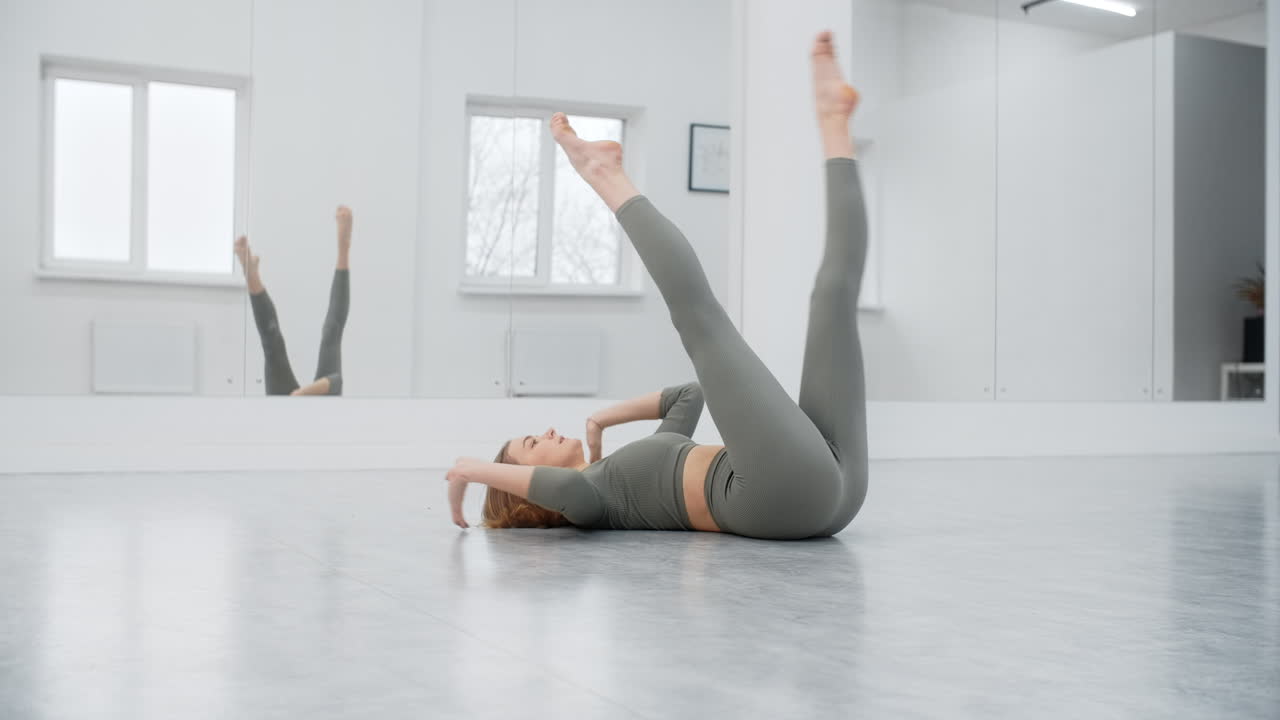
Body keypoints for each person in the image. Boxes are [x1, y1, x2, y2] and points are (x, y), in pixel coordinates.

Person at [446, 31, 868, 540]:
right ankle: (606, 176)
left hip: (835, 491)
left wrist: (606, 418)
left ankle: (834, 122)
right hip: (780, 495)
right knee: (698, 317)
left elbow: (690, 395)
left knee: (834, 298)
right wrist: (472, 469)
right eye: (535, 444)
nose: (548, 431)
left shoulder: (623, 470)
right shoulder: (592, 499)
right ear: (535, 494)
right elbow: (560, 491)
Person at [234, 206, 352, 396]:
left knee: (272, 342)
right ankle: (343, 247)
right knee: (332, 332)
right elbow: (336, 382)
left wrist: (296, 400)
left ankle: (251, 276)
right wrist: (300, 396)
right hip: (311, 404)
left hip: (286, 406)